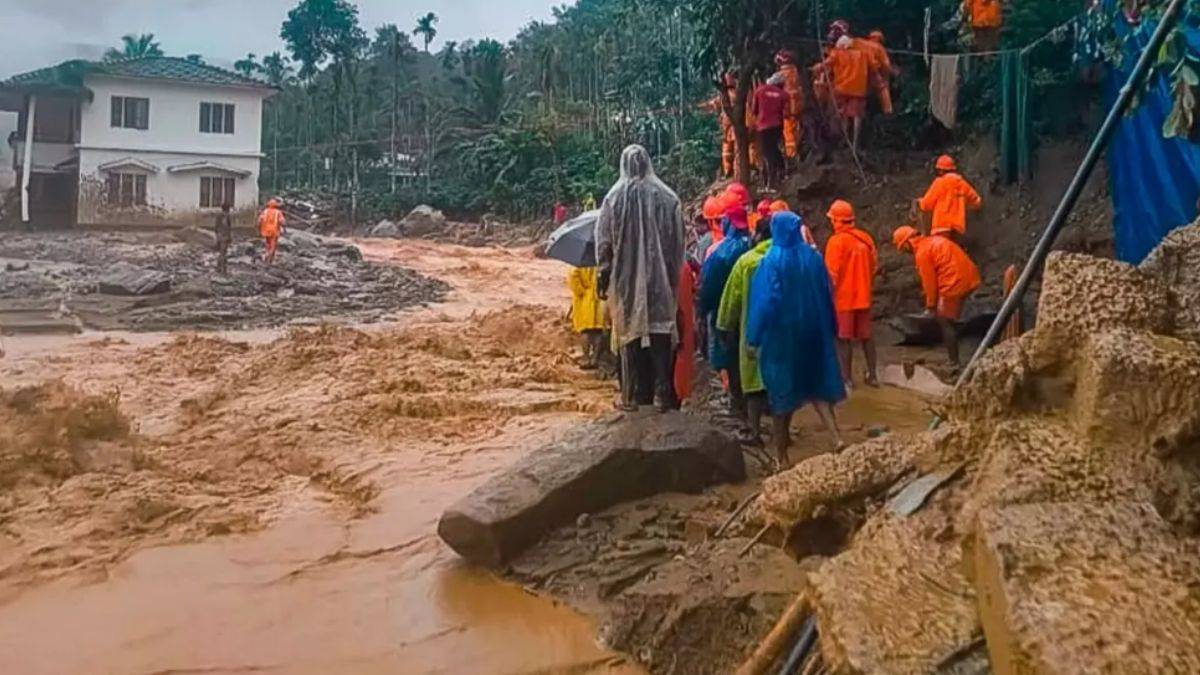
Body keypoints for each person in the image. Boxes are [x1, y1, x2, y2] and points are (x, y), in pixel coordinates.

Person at [747, 211, 846, 467]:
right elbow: (827, 292)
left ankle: (782, 459)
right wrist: (833, 327)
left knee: (781, 394)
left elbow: (766, 302)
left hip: (783, 337)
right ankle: (836, 438)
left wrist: (753, 338)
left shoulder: (771, 261)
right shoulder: (813, 257)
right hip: (814, 331)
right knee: (817, 385)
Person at [596, 145, 686, 412]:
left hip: (625, 280)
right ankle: (664, 393)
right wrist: (671, 273)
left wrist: (604, 274)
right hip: (660, 280)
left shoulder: (613, 199)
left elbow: (603, 243)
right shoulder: (667, 197)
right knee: (661, 330)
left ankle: (633, 395)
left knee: (628, 333)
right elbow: (678, 243)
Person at [717, 213, 773, 445]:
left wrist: (723, 325)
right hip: (785, 330)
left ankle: (755, 431)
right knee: (779, 380)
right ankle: (784, 435)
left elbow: (731, 298)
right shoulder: (793, 258)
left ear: (758, 235)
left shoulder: (747, 262)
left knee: (752, 380)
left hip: (751, 328)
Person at [892, 225, 981, 368]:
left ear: (907, 243)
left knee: (944, 320)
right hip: (969, 276)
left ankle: (954, 363)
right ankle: (958, 349)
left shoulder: (922, 253)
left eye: (903, 248)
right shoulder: (934, 241)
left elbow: (930, 283)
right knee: (949, 317)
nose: (904, 252)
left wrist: (930, 306)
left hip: (954, 282)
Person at [699, 205, 753, 418]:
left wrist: (703, 310)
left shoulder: (720, 252)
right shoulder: (756, 245)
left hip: (726, 312)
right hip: (753, 312)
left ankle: (737, 403)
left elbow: (708, 285)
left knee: (729, 359)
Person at [823, 200, 879, 388]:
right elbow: (874, 266)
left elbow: (831, 275)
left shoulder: (836, 242)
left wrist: (825, 297)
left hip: (843, 299)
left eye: (832, 219)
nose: (831, 223)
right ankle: (873, 376)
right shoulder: (866, 239)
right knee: (866, 337)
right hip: (863, 297)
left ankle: (846, 379)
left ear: (838, 220)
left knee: (843, 339)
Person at [913, 155, 982, 238]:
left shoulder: (939, 183)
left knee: (941, 249)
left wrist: (919, 202)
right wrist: (963, 205)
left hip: (941, 228)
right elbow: (977, 202)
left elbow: (926, 205)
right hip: (958, 228)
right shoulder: (962, 184)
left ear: (940, 170)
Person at [823, 35, 871, 153]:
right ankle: (854, 145)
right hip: (859, 90)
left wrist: (815, 68)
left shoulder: (838, 52)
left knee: (842, 114)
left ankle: (844, 141)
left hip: (842, 88)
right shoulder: (863, 53)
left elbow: (826, 64)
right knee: (857, 117)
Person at [752, 73, 789, 190]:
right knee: (774, 149)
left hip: (763, 126)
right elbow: (786, 112)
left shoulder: (759, 90)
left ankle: (771, 181)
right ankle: (782, 172)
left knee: (767, 153)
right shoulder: (783, 94)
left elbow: (754, 110)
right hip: (777, 125)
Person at [567, 266, 606, 369]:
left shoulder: (580, 262)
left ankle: (586, 358)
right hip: (600, 300)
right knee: (598, 330)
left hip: (585, 300)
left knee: (585, 330)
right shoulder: (600, 261)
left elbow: (572, 276)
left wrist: (581, 291)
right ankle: (595, 359)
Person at [774, 50, 806, 160]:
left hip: (788, 106)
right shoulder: (796, 71)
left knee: (789, 131)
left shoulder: (783, 73)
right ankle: (800, 150)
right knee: (797, 128)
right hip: (799, 104)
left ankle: (792, 155)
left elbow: (769, 82)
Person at [856, 31, 897, 116]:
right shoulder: (879, 48)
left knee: (862, 94)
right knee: (883, 89)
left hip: (860, 73)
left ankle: (862, 113)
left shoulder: (861, 44)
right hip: (874, 73)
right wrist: (893, 72)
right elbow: (885, 64)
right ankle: (888, 111)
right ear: (880, 39)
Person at [258, 198, 286, 265]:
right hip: (274, 231)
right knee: (273, 245)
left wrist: (259, 228)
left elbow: (259, 221)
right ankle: (269, 259)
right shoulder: (278, 212)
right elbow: (282, 221)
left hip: (265, 231)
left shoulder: (265, 211)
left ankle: (267, 254)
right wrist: (284, 227)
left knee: (267, 244)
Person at [214, 202, 233, 275]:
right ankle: (223, 269)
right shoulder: (226, 216)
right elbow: (227, 227)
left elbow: (215, 227)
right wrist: (229, 237)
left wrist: (217, 235)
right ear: (228, 209)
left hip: (219, 235)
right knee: (223, 253)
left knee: (221, 253)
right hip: (224, 236)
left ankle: (218, 268)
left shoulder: (218, 215)